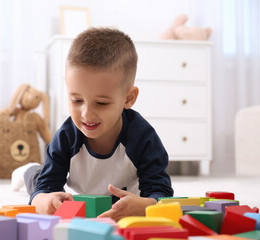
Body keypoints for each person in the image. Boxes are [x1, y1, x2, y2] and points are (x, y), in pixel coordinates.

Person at [11, 27, 173, 221]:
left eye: (101, 103)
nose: (86, 114)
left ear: (128, 98)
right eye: (77, 100)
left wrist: (145, 206)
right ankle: (28, 170)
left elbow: (161, 192)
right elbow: (45, 188)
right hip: (73, 184)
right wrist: (44, 200)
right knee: (38, 179)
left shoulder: (143, 137)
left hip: (122, 193)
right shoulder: (66, 136)